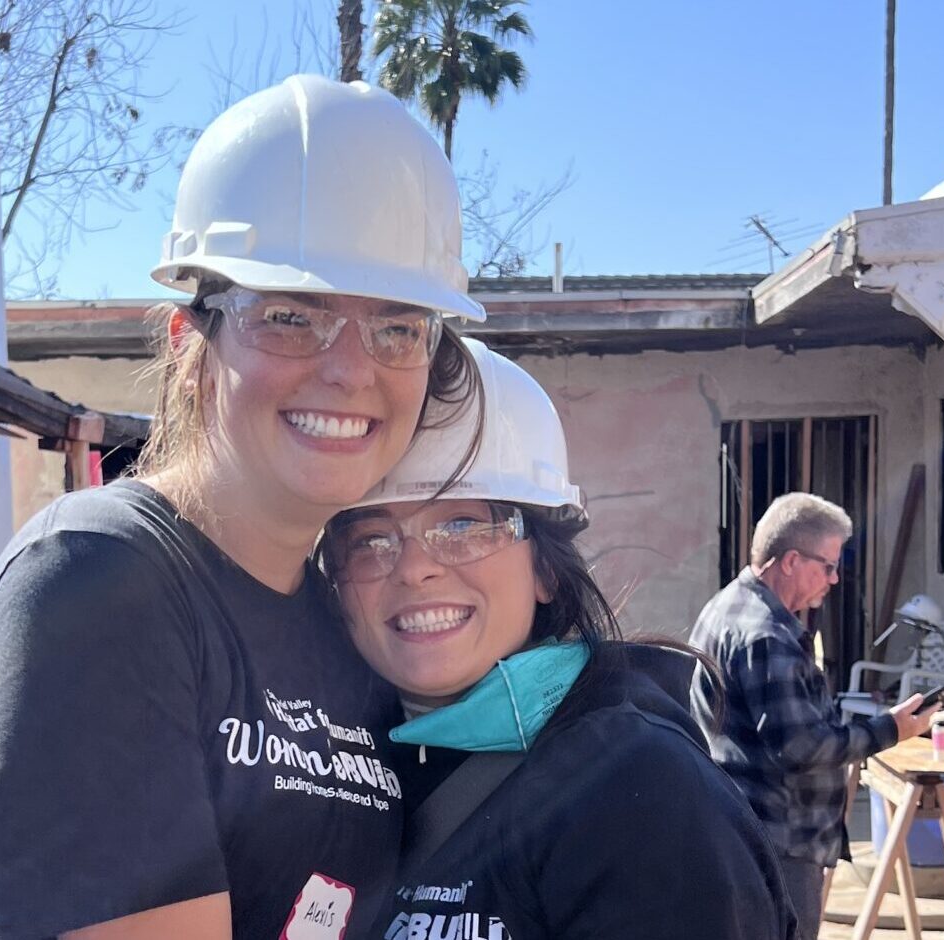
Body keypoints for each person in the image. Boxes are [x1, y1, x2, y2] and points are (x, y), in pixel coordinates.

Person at [0, 75, 487, 940]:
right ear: (188, 342)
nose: (351, 370)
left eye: (397, 327)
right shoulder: (95, 585)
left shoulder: (345, 624)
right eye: (289, 316)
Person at [322, 341, 797, 940]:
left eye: (464, 524)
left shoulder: (641, 793)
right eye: (370, 539)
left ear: (546, 570)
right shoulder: (334, 765)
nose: (414, 568)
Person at [689, 493, 935, 940]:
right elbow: (800, 747)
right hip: (779, 841)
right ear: (790, 561)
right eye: (827, 566)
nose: (835, 579)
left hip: (743, 831)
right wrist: (891, 729)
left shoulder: (726, 605)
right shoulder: (766, 634)